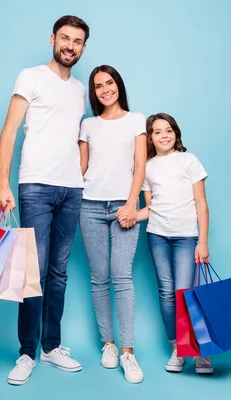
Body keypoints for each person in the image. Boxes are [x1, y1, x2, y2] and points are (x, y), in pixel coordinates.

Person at [0, 15, 90, 386]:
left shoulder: (80, 89)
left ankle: (51, 347)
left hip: (72, 189)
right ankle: (26, 352)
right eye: (64, 38)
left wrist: (81, 177)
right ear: (53, 39)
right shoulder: (30, 76)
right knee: (32, 273)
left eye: (77, 41)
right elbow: (9, 130)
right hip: (35, 185)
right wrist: (3, 183)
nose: (70, 45)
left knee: (59, 272)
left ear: (83, 48)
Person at [78, 65, 147, 383]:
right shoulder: (88, 124)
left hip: (124, 208)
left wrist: (132, 204)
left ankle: (128, 352)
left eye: (109, 83)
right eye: (98, 85)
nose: (105, 89)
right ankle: (108, 344)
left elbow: (140, 166)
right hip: (89, 206)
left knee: (122, 277)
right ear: (93, 92)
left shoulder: (136, 121)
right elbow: (80, 167)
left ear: (118, 85)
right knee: (99, 277)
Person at [136, 113, 214, 374]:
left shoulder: (189, 161)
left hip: (186, 237)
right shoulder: (146, 166)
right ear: (150, 138)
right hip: (157, 235)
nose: (164, 136)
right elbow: (149, 208)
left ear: (176, 133)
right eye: (157, 132)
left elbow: (202, 205)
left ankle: (200, 350)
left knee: (184, 293)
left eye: (168, 130)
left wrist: (202, 242)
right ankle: (178, 348)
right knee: (166, 293)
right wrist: (130, 215)